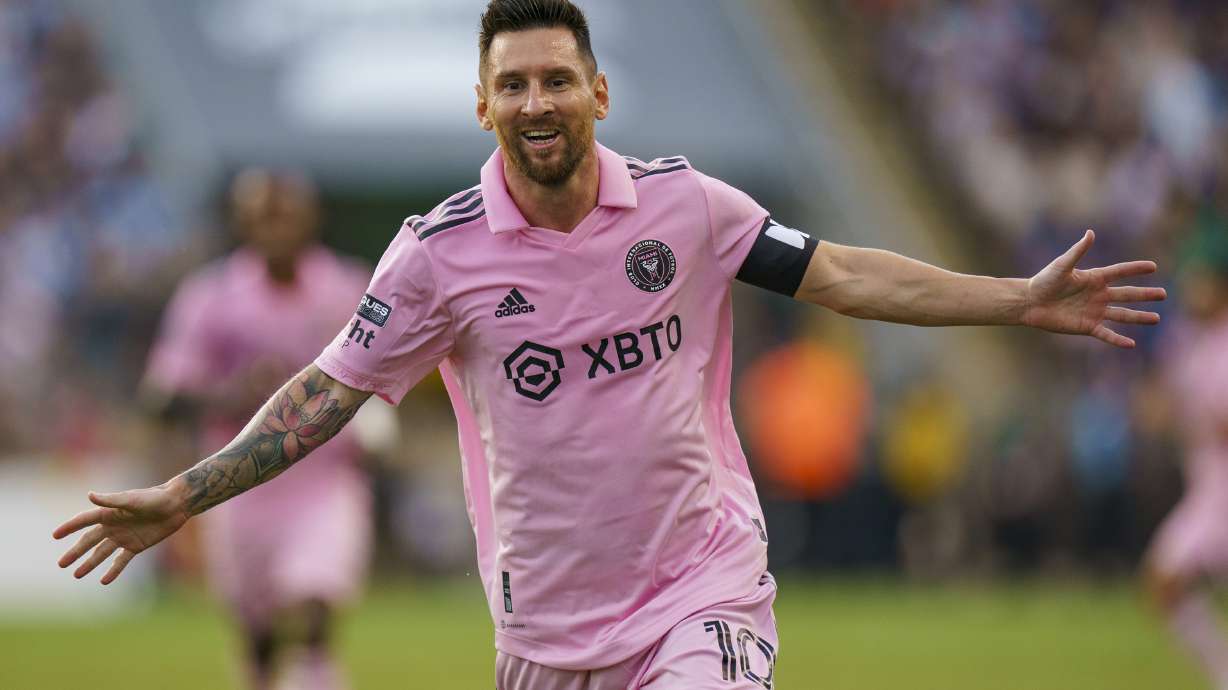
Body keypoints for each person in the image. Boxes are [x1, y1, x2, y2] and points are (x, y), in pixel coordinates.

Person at [54, 1, 1165, 687]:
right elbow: (328, 391)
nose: (536, 101)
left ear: (597, 89)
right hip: (544, 623)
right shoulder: (434, 258)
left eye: (554, 79)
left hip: (701, 585)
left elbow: (842, 273)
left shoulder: (688, 209)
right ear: (482, 107)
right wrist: (186, 495)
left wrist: (1013, 297)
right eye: (511, 85)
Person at [140, 169, 375, 690]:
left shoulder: (346, 288)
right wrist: (234, 393)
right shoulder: (212, 296)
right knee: (261, 637)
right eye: (263, 216)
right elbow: (163, 396)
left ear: (311, 219)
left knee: (315, 606)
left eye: (285, 214)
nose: (276, 228)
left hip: (324, 480)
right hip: (240, 484)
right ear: (242, 223)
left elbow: (384, 367)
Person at [1144, 236, 1228, 690]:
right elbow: (1167, 405)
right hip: (1208, 490)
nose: (1193, 288)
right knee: (1164, 582)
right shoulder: (1190, 341)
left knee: (1168, 578)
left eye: (1203, 280)